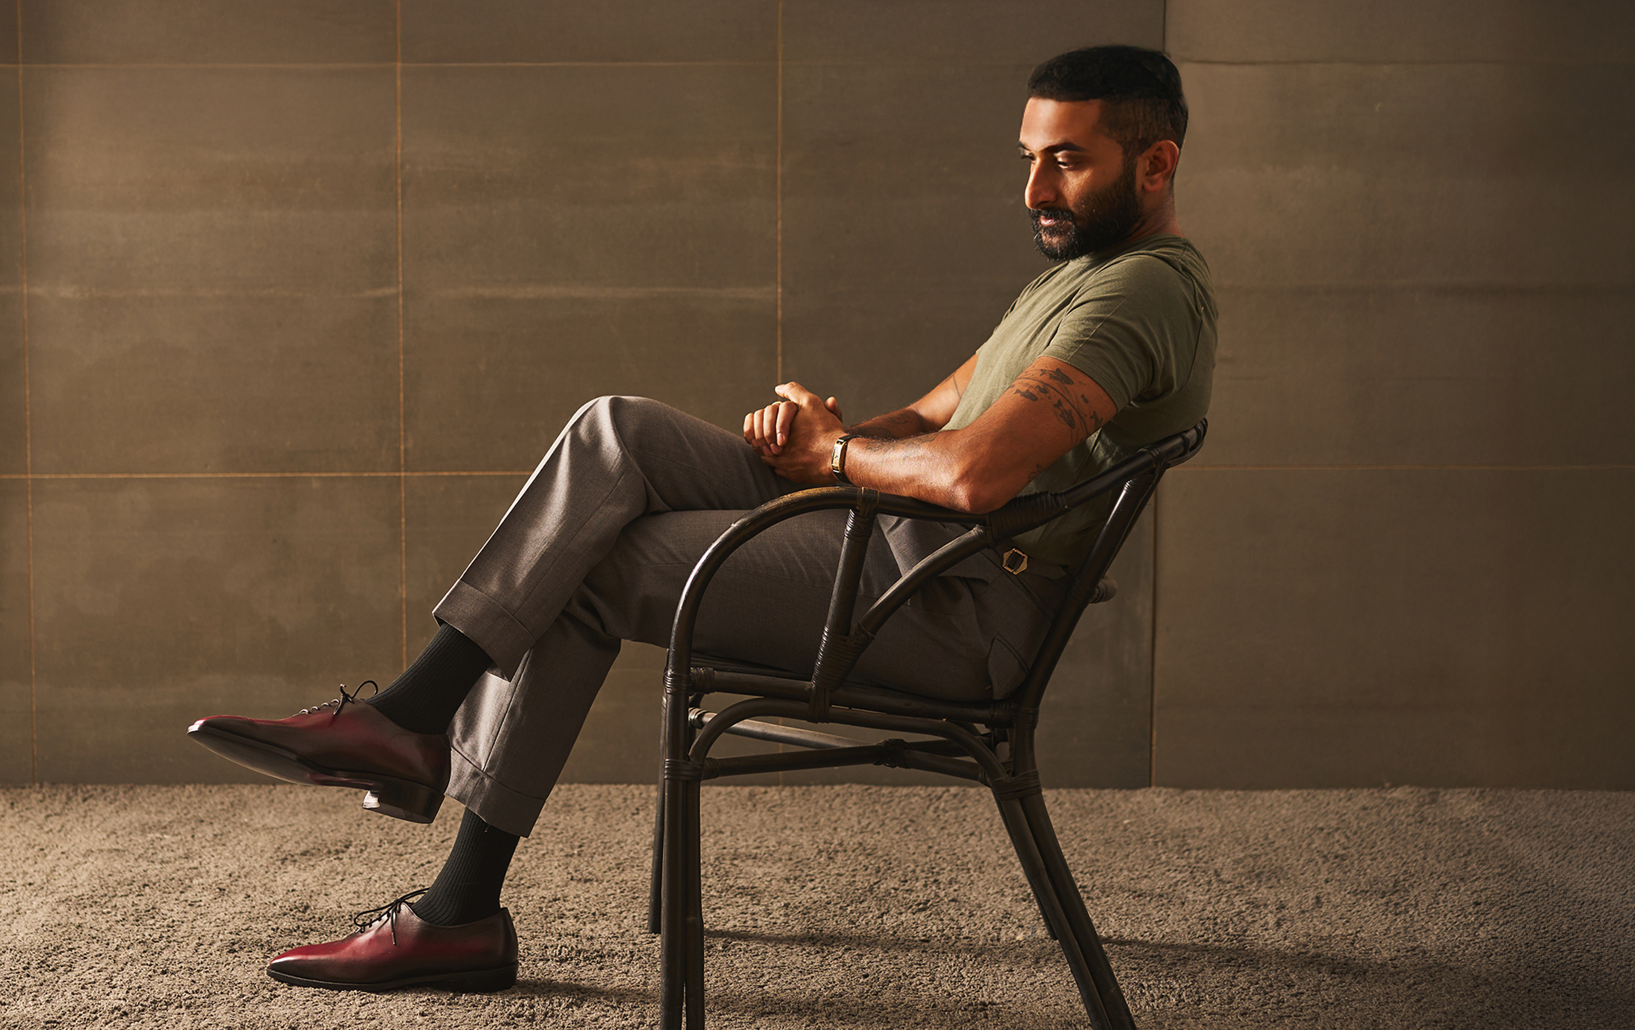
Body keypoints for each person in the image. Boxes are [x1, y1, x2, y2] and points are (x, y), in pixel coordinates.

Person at [188, 44, 1215, 993]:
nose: (1033, 189)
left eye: (1066, 162)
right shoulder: (1082, 277)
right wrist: (820, 433)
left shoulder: (1140, 297)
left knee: (591, 561)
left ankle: (452, 891)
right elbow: (942, 411)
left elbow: (976, 474)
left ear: (1156, 163)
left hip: (950, 607)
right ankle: (413, 726)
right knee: (616, 433)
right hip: (904, 548)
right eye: (1031, 157)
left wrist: (836, 458)